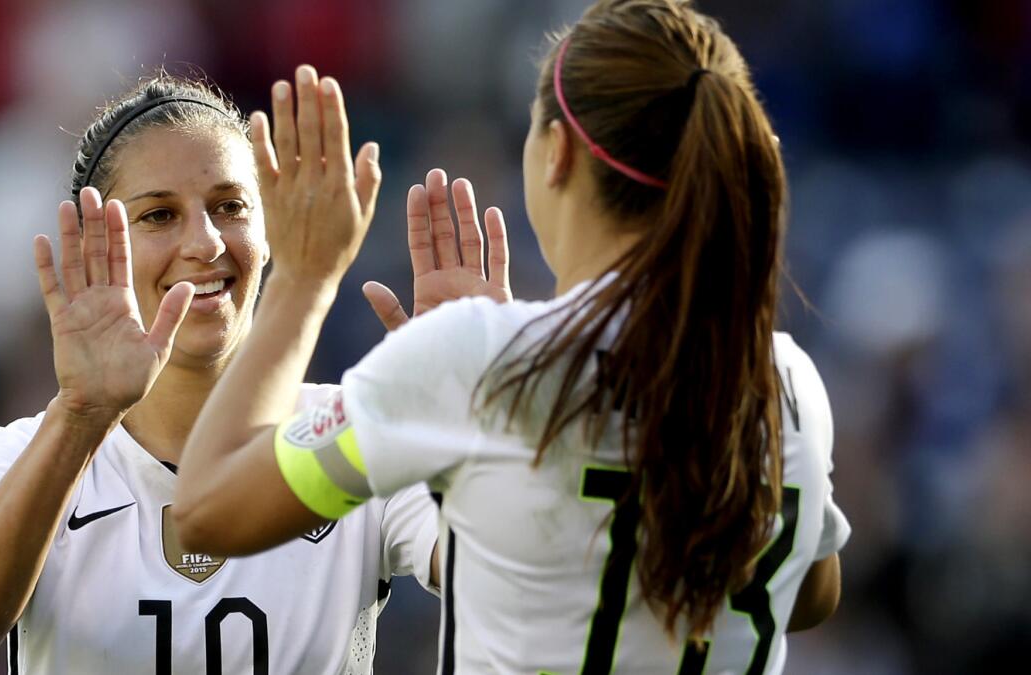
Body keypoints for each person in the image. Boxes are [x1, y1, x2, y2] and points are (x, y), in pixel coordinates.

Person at [173, 1, 851, 673]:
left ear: (556, 153)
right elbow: (811, 594)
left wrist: (302, 278)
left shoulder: (477, 360)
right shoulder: (786, 377)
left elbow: (205, 510)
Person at [0, 69, 443, 674]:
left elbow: (499, 570)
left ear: (269, 230)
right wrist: (82, 415)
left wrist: (487, 420)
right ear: (96, 248)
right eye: (159, 216)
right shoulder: (20, 455)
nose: (207, 242)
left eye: (230, 206)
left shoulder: (352, 428)